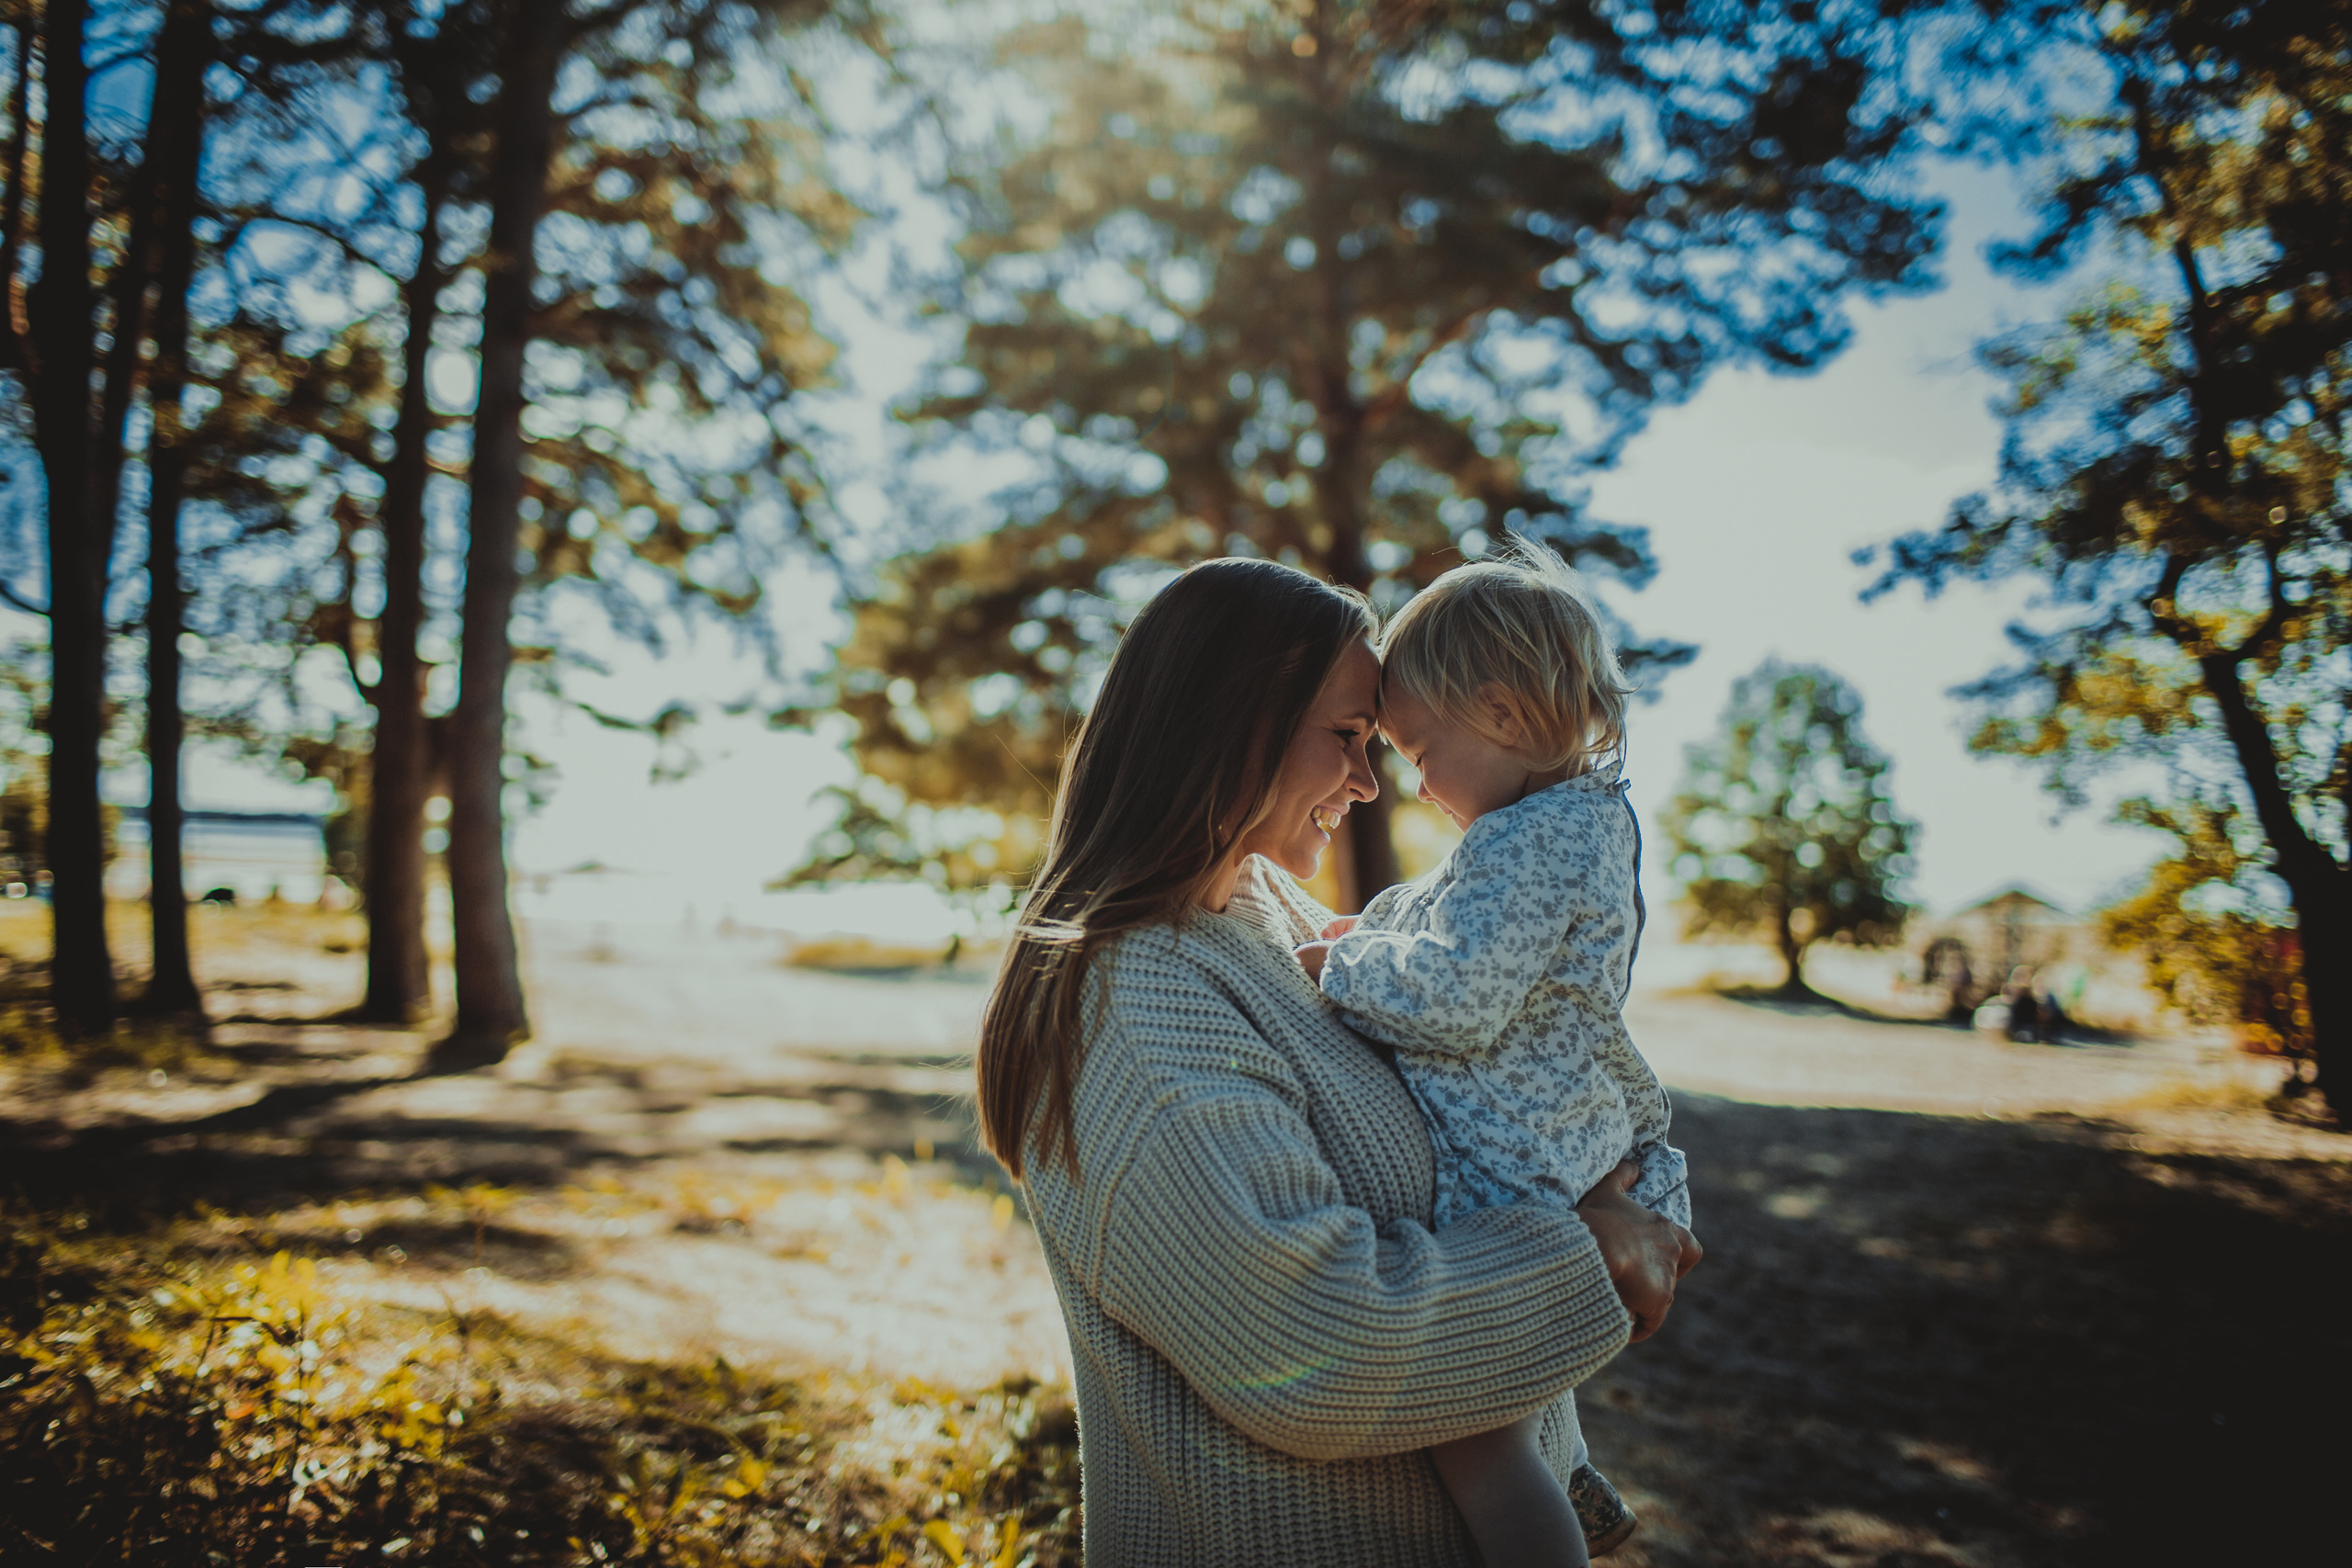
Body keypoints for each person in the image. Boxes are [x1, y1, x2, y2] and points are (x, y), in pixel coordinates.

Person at [977, 558, 1702, 1567]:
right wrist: (1586, 1256)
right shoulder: (1134, 1003)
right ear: (1234, 724)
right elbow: (1313, 1350)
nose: (1369, 785)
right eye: (1349, 739)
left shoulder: (1264, 914)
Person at [1294, 545, 1687, 1566]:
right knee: (1497, 1415)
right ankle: (1565, 1480)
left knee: (1471, 1434)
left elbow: (1458, 997)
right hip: (1546, 1139)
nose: (1413, 785)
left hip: (1514, 1156)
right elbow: (1438, 929)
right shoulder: (1572, 825)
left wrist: (1334, 965)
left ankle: (1546, 1524)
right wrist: (1369, 934)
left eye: (1419, 751)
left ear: (1505, 717)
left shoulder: (1533, 840)